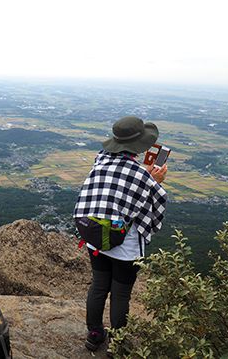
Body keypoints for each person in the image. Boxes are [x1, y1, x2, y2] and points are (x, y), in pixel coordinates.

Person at [73, 116, 168, 352]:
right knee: (121, 294)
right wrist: (154, 181)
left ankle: (94, 334)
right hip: (125, 245)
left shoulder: (101, 160)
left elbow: (120, 179)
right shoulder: (142, 176)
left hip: (95, 236)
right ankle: (117, 344)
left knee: (98, 286)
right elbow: (154, 204)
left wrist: (144, 176)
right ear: (140, 144)